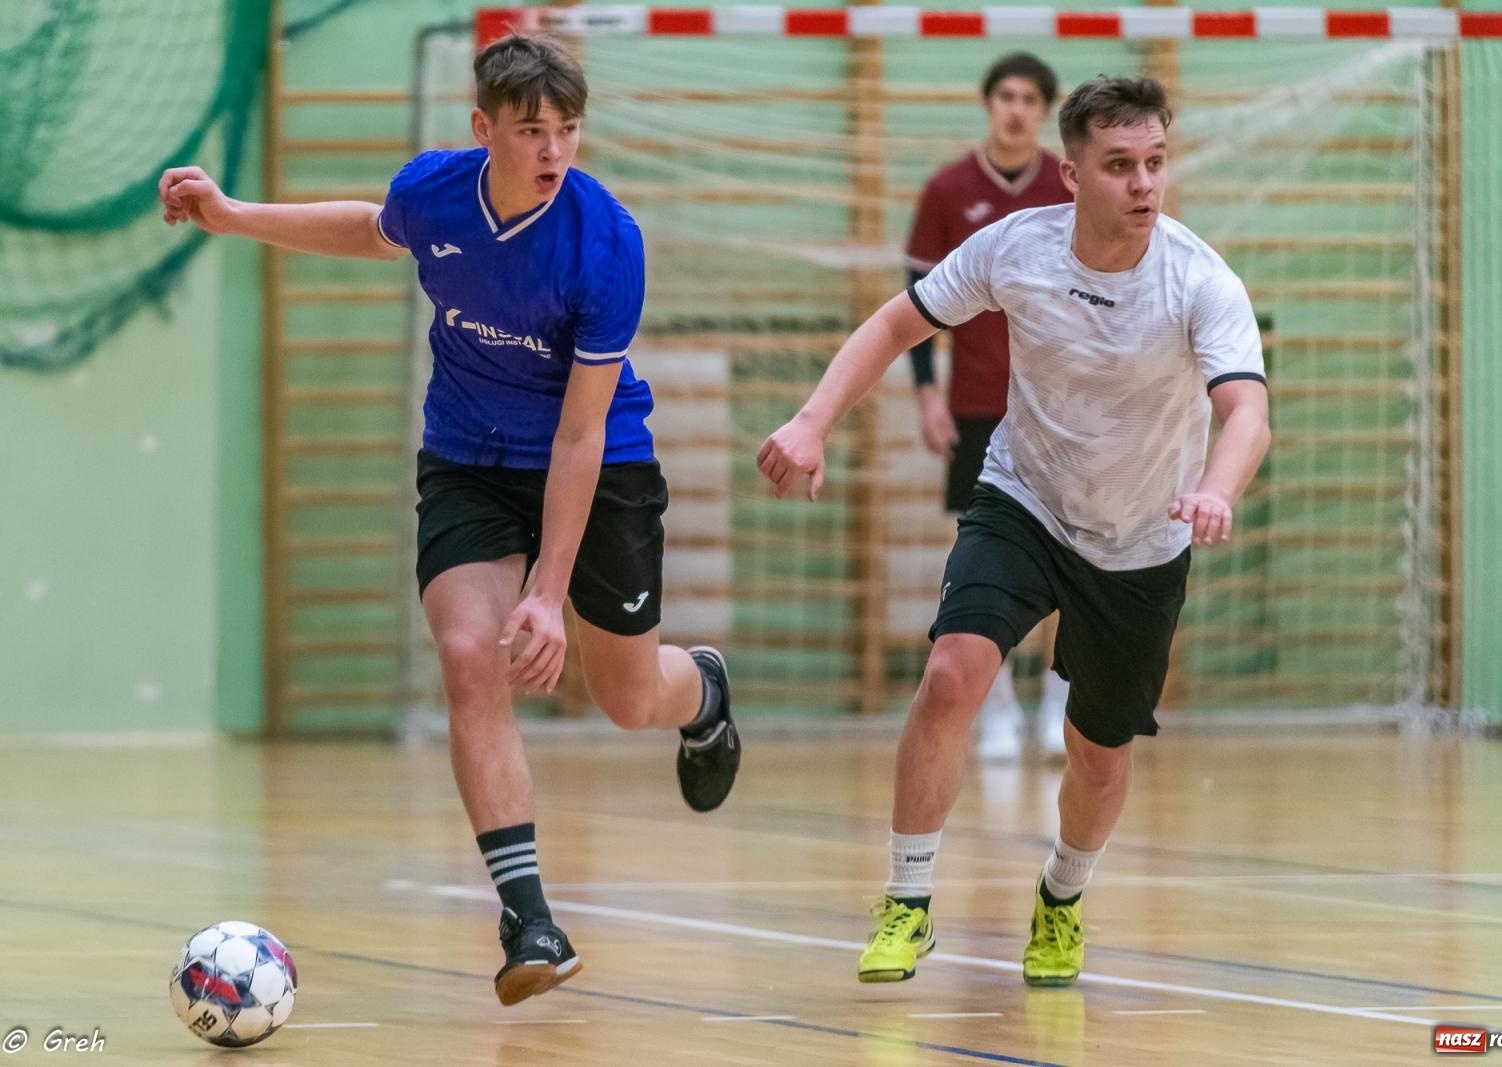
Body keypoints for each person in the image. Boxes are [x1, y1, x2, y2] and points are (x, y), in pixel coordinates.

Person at [158, 32, 741, 1005]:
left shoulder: (606, 242)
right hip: (468, 456)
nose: (553, 151)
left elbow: (580, 435)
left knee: (627, 696)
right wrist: (230, 216)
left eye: (566, 130)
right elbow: (372, 228)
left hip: (592, 459)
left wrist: (550, 591)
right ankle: (528, 914)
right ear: (483, 130)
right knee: (470, 652)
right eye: (530, 131)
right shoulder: (436, 192)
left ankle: (707, 692)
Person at [758, 75, 1269, 985]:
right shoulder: (1015, 248)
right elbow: (894, 323)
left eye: (1155, 162)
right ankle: (907, 903)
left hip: (1142, 538)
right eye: (1120, 166)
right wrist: (811, 420)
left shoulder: (1199, 279)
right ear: (1070, 175)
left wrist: (1219, 487)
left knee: (1097, 755)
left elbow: (1247, 413)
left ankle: (1062, 898)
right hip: (1025, 497)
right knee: (953, 673)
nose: (1144, 184)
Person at [905, 51, 1073, 761]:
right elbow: (914, 302)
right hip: (978, 403)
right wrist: (925, 393)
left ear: (1044, 110)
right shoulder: (948, 190)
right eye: (1004, 95)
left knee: (1074, 553)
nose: (1015, 109)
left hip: (1062, 408)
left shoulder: (1070, 190)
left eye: (1029, 98)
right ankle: (997, 706)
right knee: (982, 563)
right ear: (988, 104)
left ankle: (1060, 701)